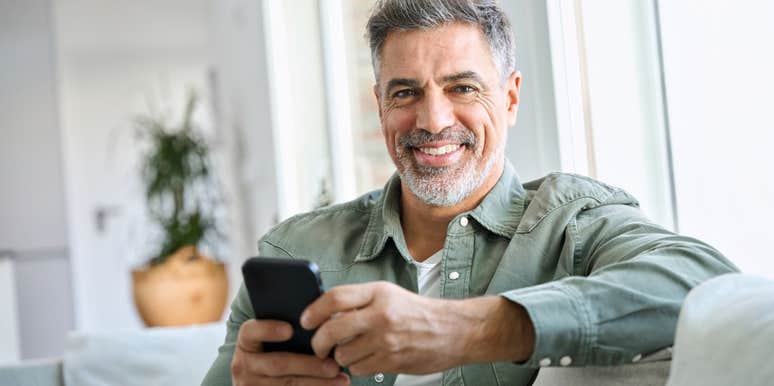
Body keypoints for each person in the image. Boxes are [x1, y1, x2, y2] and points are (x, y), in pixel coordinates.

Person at [202, 0, 737, 385]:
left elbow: (707, 283)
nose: (433, 121)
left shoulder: (573, 222)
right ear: (381, 104)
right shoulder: (295, 251)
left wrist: (464, 330)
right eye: (406, 92)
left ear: (509, 98)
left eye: (462, 87)